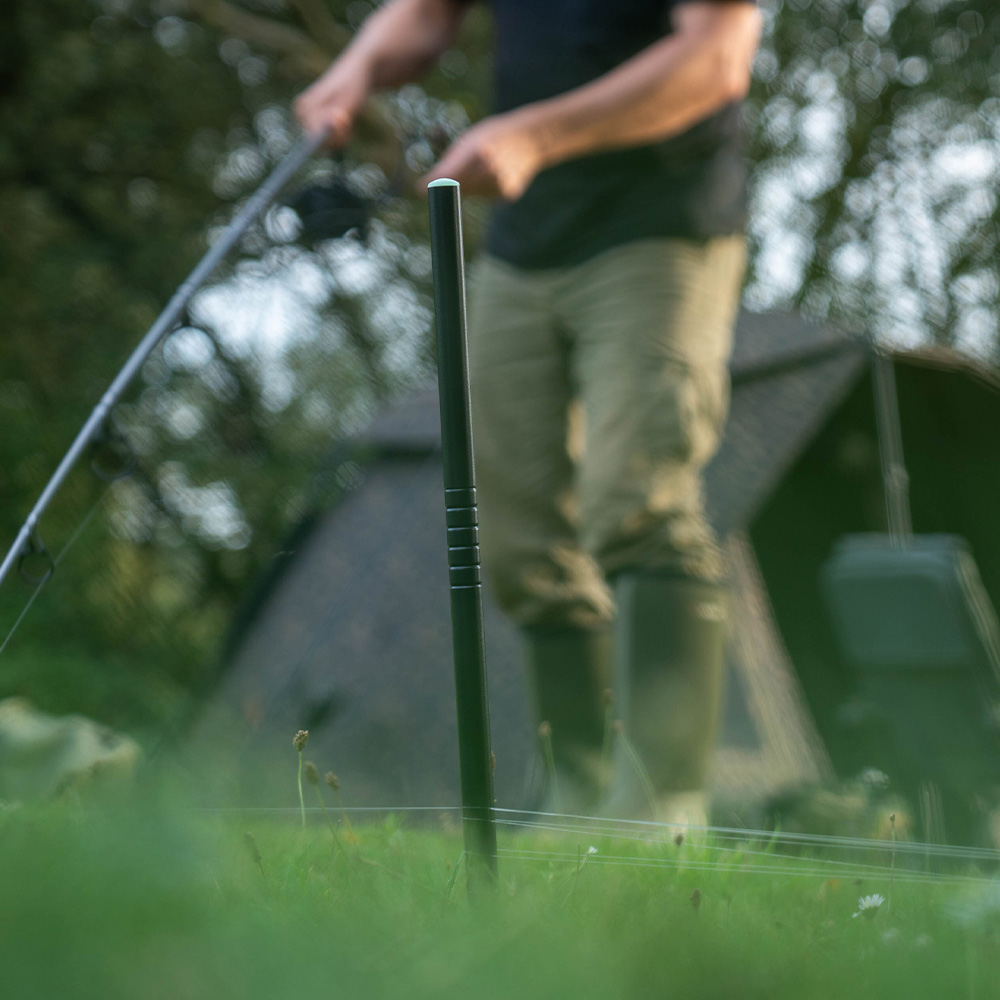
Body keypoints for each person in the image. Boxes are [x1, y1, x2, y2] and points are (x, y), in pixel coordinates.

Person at [296, 0, 763, 827]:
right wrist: (356, 67)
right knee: (512, 537)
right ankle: (578, 800)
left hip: (659, 222)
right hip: (525, 243)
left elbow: (719, 57)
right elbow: (423, 17)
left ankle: (662, 814)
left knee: (637, 497)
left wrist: (537, 135)